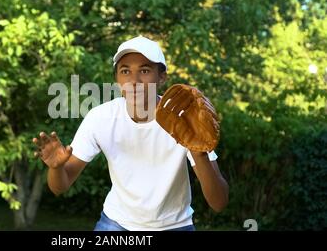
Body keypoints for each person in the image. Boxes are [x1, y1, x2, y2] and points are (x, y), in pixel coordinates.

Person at [32, 36, 229, 231]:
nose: (134, 81)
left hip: (174, 226)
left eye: (144, 70)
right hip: (116, 224)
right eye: (125, 71)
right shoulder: (101, 118)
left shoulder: (185, 119)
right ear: (117, 79)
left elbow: (219, 202)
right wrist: (56, 168)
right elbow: (60, 186)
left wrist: (198, 152)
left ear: (162, 77)